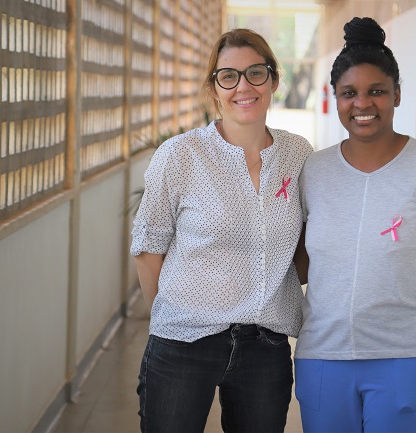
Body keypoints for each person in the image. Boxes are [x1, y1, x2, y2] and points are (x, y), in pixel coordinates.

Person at [293, 17, 416, 433]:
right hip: (323, 357)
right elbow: (303, 264)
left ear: (397, 94)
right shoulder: (314, 170)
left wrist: (411, 303)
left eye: (377, 91)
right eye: (349, 93)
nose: (362, 104)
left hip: (408, 359)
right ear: (335, 97)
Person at [130, 28, 313, 433]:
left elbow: (305, 243)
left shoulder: (298, 154)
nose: (243, 87)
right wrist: (173, 321)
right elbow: (148, 249)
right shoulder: (180, 155)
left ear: (273, 80)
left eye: (255, 73)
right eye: (228, 76)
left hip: (265, 345)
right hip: (183, 343)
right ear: (214, 89)